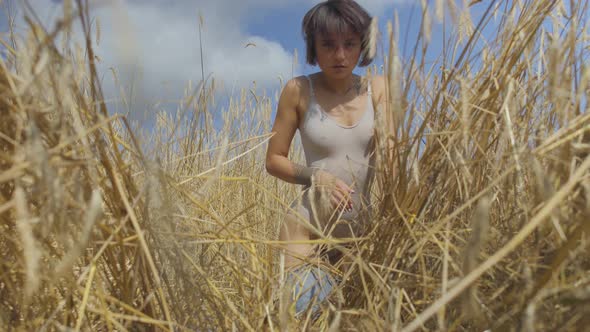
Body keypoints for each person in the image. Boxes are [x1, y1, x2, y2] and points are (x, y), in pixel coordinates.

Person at [265, 0, 386, 316]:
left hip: (366, 236)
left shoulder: (379, 88)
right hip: (307, 231)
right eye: (328, 45)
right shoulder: (298, 90)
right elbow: (274, 159)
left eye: (349, 44)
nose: (340, 55)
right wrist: (315, 176)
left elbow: (395, 157)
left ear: (363, 45)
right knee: (312, 317)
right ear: (313, 48)